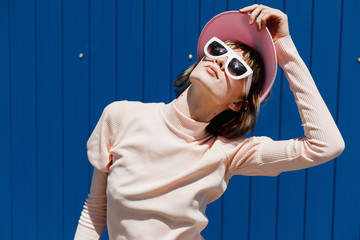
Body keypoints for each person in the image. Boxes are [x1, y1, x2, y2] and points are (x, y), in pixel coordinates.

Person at [74, 4, 344, 240]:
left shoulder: (227, 153)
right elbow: (95, 210)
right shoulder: (121, 117)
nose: (221, 60)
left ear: (239, 103)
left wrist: (284, 50)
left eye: (237, 67)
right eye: (218, 49)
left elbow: (326, 145)